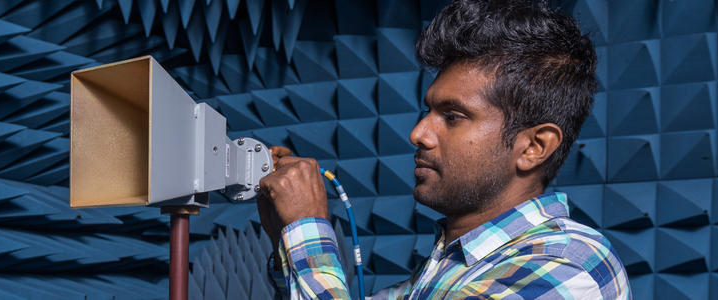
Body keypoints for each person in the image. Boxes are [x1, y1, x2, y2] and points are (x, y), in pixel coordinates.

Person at [255, 0, 630, 299]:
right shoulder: (450, 265)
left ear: (533, 146)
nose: (418, 133)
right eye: (427, 110)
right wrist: (285, 238)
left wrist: (307, 228)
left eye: (453, 116)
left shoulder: (568, 266)